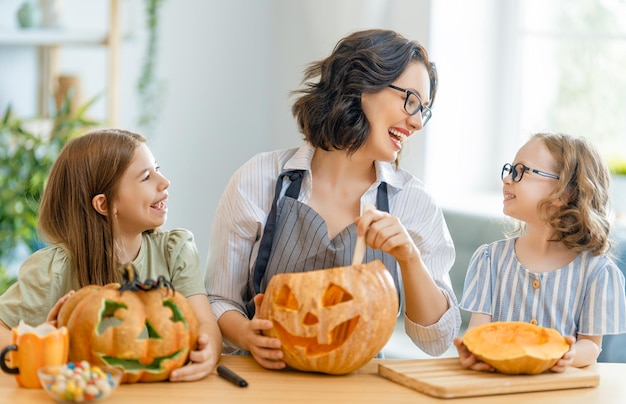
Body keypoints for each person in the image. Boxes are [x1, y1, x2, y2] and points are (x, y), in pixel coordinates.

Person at [205, 29, 461, 370]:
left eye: (424, 110)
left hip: (362, 389)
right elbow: (220, 299)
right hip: (262, 381)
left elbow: (436, 339)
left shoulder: (412, 201)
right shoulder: (258, 179)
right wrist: (246, 334)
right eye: (410, 100)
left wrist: (409, 258)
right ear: (360, 86)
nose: (416, 122)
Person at [0, 129, 222, 381]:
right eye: (146, 177)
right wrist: (44, 341)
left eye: (158, 168)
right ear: (104, 204)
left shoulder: (175, 251)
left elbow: (205, 324)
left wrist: (209, 352)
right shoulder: (52, 269)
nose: (164, 181)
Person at [455, 132, 626, 372]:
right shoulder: (490, 260)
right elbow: (478, 331)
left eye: (521, 172)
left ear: (565, 193)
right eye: (509, 169)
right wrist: (473, 351)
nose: (507, 179)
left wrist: (565, 354)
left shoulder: (596, 272)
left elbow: (591, 345)